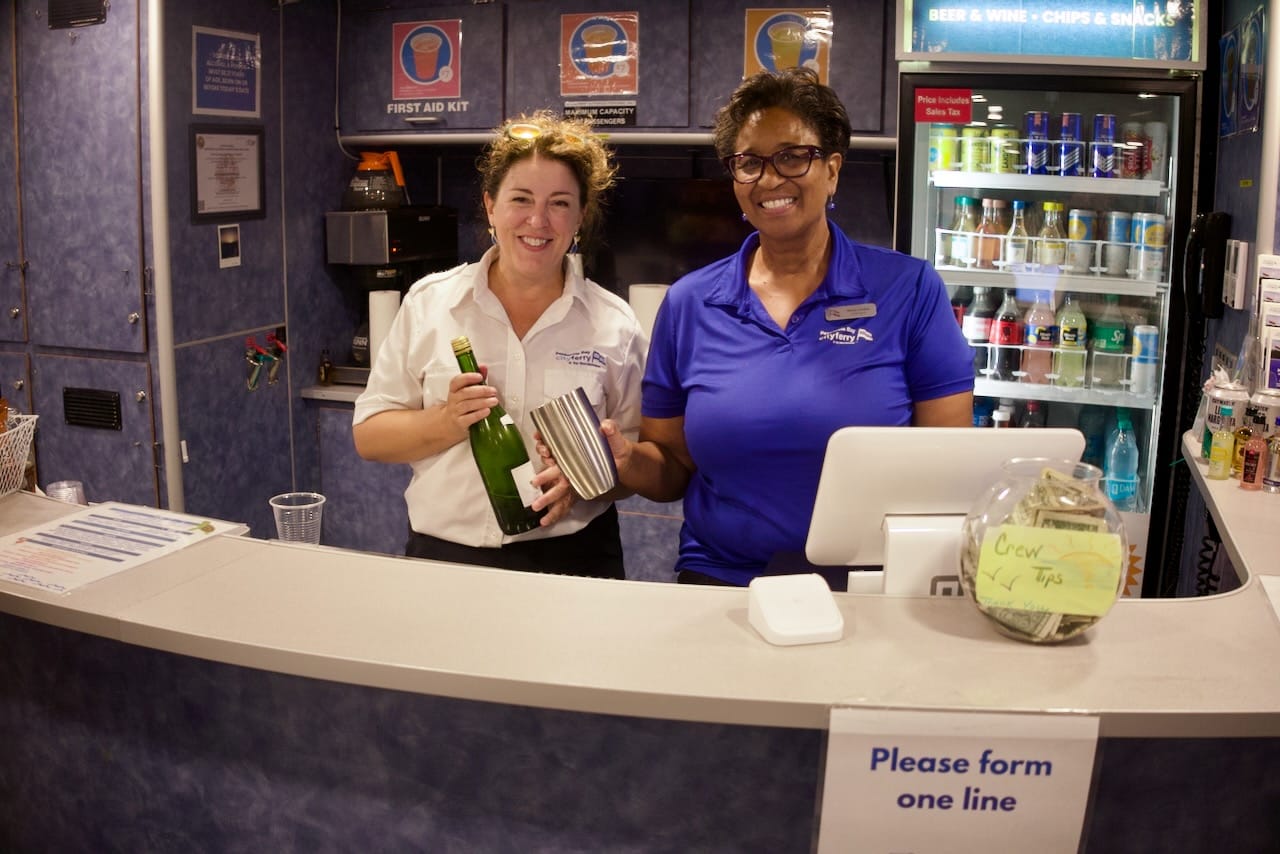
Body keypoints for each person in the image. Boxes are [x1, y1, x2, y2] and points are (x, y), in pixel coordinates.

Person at [598, 68, 974, 588]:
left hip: (867, 586)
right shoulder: (689, 303)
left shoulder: (906, 290)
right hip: (723, 581)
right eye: (749, 163)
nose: (770, 180)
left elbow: (948, 462)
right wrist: (626, 461)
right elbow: (672, 466)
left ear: (833, 170)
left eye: (793, 156)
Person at [352, 111, 646, 579]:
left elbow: (632, 463)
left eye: (560, 203)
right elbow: (369, 435)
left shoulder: (615, 325)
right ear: (491, 206)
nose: (538, 220)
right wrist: (446, 421)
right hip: (446, 561)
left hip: (575, 559)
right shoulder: (431, 304)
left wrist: (587, 480)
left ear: (581, 216)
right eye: (521, 199)